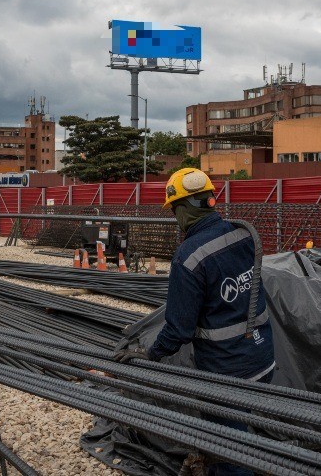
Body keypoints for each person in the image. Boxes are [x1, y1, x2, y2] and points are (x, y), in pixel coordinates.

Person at [114, 168, 274, 476]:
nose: (175, 217)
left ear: (186, 208)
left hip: (228, 372)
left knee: (228, 450)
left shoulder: (188, 257)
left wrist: (149, 354)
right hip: (264, 357)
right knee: (238, 432)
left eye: (175, 209)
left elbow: (178, 329)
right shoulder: (243, 234)